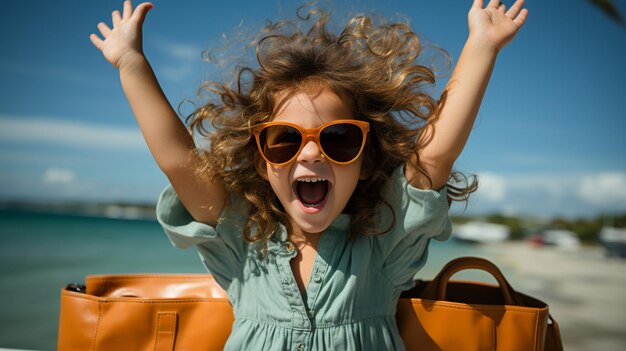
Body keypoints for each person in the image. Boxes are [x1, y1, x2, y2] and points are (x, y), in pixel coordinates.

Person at [90, 0, 527, 349]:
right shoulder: (242, 244)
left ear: (367, 159)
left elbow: (435, 154)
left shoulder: (380, 246)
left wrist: (482, 46)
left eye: (338, 139)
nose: (312, 153)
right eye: (284, 140)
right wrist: (131, 63)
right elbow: (179, 160)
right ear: (262, 160)